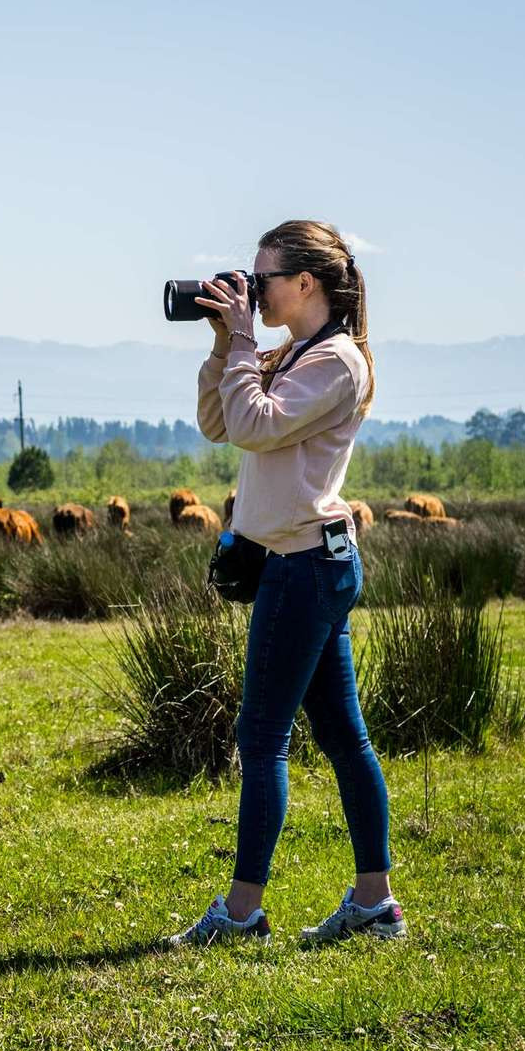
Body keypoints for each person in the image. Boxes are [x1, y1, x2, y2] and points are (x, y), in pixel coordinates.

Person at [169, 220, 405, 948]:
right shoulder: (298, 352)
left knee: (262, 736)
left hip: (305, 566)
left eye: (262, 277)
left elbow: (255, 425)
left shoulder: (335, 361)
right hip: (306, 561)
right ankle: (375, 903)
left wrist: (242, 341)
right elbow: (219, 421)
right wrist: (224, 343)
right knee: (341, 736)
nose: (252, 288)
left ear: (306, 283)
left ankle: (241, 914)